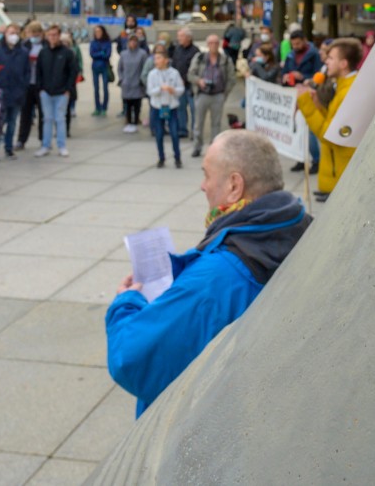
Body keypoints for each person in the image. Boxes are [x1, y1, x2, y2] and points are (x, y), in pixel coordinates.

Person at [106, 130, 312, 416]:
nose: (202, 186)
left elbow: (133, 357)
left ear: (234, 185)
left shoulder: (218, 277)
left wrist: (126, 303)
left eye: (206, 174)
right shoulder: (302, 226)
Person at [296, 38, 363, 202]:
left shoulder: (349, 92)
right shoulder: (343, 86)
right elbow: (333, 121)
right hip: (336, 176)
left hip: (342, 179)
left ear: (343, 64)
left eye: (331, 58)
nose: (326, 61)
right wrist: (317, 105)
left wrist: (305, 102)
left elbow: (331, 135)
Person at [282, 30, 321, 175]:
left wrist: (303, 76)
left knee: (309, 131)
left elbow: (319, 75)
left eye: (298, 43)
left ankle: (316, 159)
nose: (295, 46)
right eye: (293, 44)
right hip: (293, 96)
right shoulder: (290, 55)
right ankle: (300, 158)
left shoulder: (314, 54)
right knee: (297, 129)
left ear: (305, 41)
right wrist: (286, 76)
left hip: (309, 96)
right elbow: (283, 73)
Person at [35, 25, 78, 157]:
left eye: (55, 35)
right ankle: (46, 145)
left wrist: (68, 89)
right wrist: (41, 89)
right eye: (50, 35)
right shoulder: (43, 52)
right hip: (46, 92)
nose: (52, 37)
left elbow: (73, 72)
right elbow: (39, 72)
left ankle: (62, 145)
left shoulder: (67, 53)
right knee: (47, 119)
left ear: (59, 36)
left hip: (62, 92)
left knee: (60, 119)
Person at [188, 34, 233, 158]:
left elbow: (231, 78)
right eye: (211, 43)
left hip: (218, 95)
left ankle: (214, 148)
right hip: (202, 94)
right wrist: (199, 81)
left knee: (216, 123)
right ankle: (197, 146)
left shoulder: (225, 60)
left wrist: (225, 93)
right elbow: (190, 75)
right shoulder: (200, 58)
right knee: (198, 123)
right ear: (207, 45)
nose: (213, 45)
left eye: (216, 43)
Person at [0, 23, 28, 158]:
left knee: (12, 123)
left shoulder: (23, 52)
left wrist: (23, 86)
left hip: (17, 92)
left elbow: (26, 71)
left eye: (16, 33)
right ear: (5, 34)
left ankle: (8, 148)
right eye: (11, 33)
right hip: (1, 91)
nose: (14, 36)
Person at [146, 46, 184, 168]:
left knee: (174, 133)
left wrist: (173, 90)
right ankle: (161, 157)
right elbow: (150, 91)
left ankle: (177, 157)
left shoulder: (174, 73)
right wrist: (160, 89)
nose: (156, 61)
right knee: (159, 133)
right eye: (155, 58)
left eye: (159, 58)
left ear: (166, 60)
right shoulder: (152, 74)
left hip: (171, 106)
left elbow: (181, 89)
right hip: (157, 107)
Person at [17, 21, 45, 150]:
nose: (34, 35)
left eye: (36, 32)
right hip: (27, 84)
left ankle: (43, 139)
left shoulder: (45, 46)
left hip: (41, 84)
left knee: (43, 114)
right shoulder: (24, 46)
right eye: (31, 32)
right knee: (25, 114)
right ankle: (21, 139)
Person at [170, 28, 199, 139]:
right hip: (179, 85)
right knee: (181, 108)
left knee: (193, 109)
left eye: (181, 36)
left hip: (191, 86)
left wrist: (186, 79)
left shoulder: (195, 51)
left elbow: (196, 70)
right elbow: (174, 65)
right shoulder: (177, 49)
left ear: (188, 38)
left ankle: (195, 131)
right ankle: (182, 129)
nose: (179, 38)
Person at [117, 35, 149, 134]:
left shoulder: (142, 54)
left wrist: (142, 80)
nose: (133, 43)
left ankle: (135, 122)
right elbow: (120, 68)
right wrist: (122, 79)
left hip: (137, 83)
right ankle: (129, 122)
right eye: (131, 41)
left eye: (135, 41)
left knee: (136, 104)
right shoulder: (123, 54)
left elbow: (145, 67)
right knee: (127, 104)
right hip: (126, 83)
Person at [62, 31, 85, 134]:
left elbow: (77, 63)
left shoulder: (73, 52)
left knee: (68, 104)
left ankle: (66, 128)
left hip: (69, 82)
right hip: (58, 84)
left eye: (66, 42)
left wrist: (79, 72)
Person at [89, 25, 114, 116]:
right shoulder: (93, 42)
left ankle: (104, 108)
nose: (97, 33)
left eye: (99, 31)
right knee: (96, 88)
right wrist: (101, 52)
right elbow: (92, 54)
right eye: (96, 32)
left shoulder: (107, 42)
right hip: (95, 67)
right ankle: (97, 108)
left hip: (105, 66)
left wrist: (98, 54)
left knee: (105, 88)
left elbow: (108, 55)